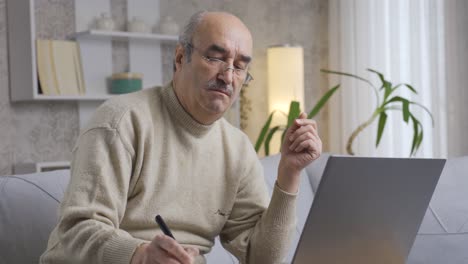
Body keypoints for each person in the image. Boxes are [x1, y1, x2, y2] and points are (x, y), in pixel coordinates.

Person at [40, 11, 322, 264]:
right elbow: (75, 232)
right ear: (179, 58)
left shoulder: (237, 149)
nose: (228, 76)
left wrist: (289, 172)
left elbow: (261, 257)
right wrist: (139, 255)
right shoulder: (121, 122)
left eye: (239, 66)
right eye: (215, 58)